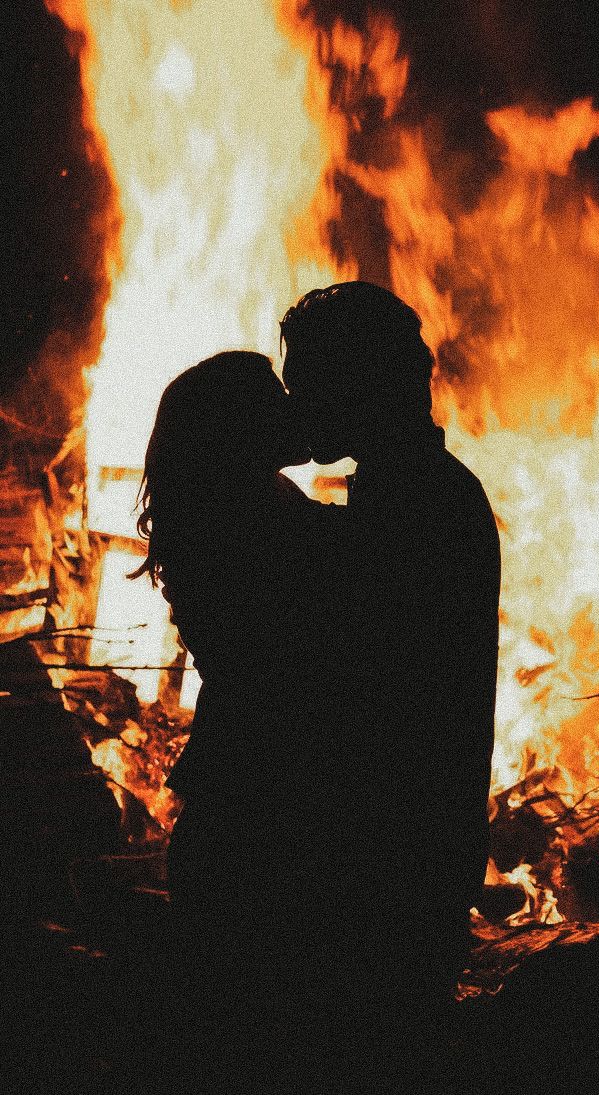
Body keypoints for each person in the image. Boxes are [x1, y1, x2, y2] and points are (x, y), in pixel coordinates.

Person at [280, 282, 501, 1091]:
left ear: (356, 384)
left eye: (308, 382)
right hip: (409, 863)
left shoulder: (416, 511)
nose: (296, 400)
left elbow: (366, 704)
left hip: (391, 875)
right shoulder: (420, 496)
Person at [131, 350, 341, 1090]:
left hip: (228, 799)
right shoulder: (262, 516)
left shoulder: (211, 517)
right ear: (240, 428)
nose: (293, 403)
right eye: (274, 396)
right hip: (268, 812)